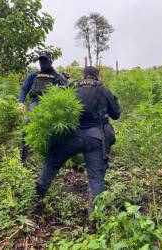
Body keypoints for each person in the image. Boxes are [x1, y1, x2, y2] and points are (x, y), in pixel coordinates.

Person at [35, 66, 120, 207]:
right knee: (96, 179)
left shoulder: (71, 88)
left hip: (71, 136)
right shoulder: (104, 90)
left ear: (83, 75)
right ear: (98, 76)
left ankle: (36, 197)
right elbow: (116, 114)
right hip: (95, 138)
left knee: (52, 161)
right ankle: (97, 217)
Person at [17, 51, 69, 164]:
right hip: (35, 102)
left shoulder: (56, 76)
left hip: (50, 105)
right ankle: (24, 157)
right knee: (28, 123)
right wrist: (20, 102)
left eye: (45, 60)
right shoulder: (33, 75)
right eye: (41, 60)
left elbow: (67, 91)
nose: (42, 62)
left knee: (54, 129)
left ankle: (53, 157)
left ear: (50, 61)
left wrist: (64, 80)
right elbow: (24, 89)